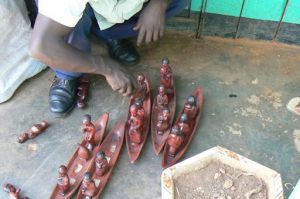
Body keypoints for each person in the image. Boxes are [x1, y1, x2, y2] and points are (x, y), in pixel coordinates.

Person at [29, 0, 189, 117]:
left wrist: (159, 4)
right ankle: (66, 75)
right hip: (77, 10)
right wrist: (106, 67)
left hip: (113, 8)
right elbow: (42, 46)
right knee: (64, 23)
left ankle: (108, 34)